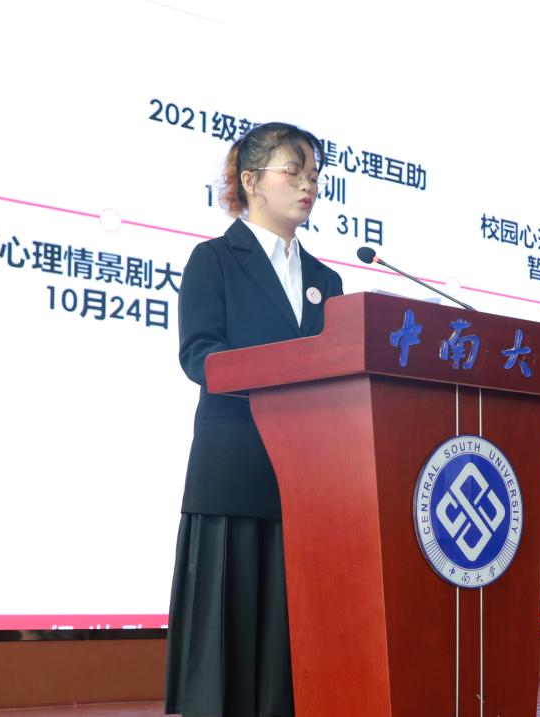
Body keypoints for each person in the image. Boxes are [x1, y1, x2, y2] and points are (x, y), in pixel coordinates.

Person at [165, 122, 344, 717]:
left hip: (307, 485)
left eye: (313, 175)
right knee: (228, 658)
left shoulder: (326, 281)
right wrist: (284, 373)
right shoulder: (214, 260)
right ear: (250, 180)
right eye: (293, 171)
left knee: (290, 662)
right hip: (235, 473)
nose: (308, 185)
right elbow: (200, 355)